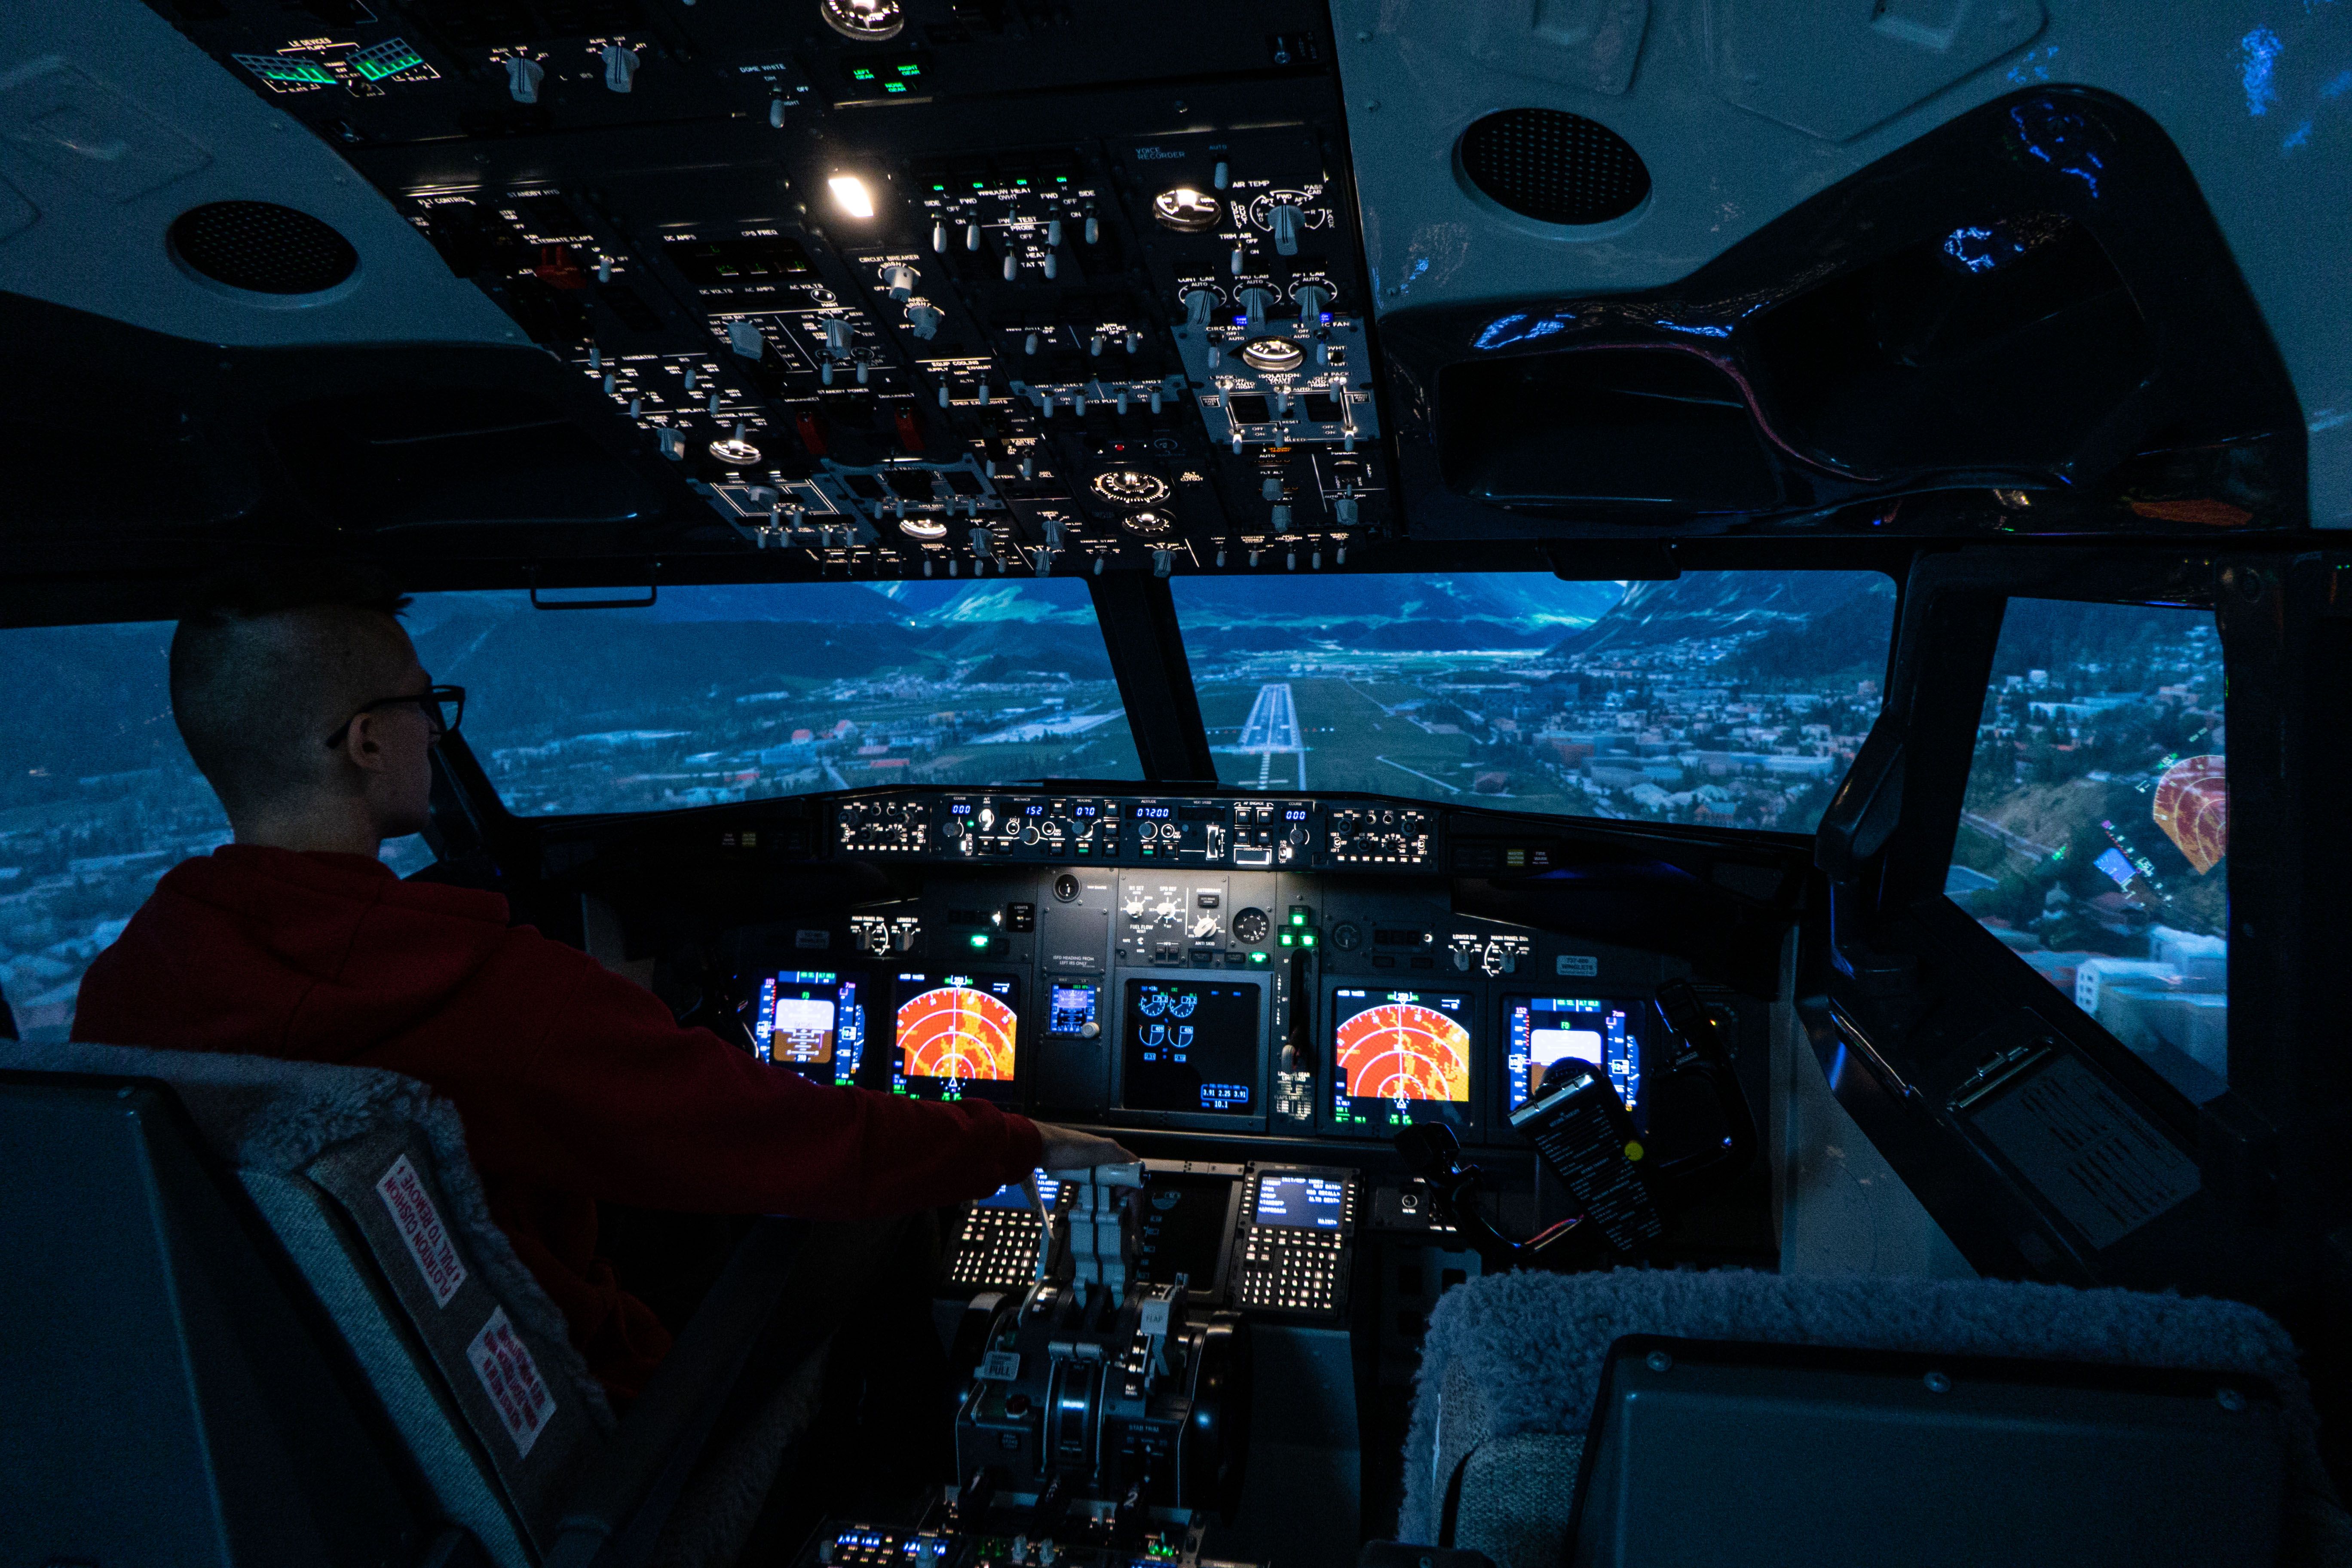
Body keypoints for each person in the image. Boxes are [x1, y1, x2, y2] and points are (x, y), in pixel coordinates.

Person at [73, 563, 1132, 1402]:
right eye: (422, 704)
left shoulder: (125, 991)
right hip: (583, 1431)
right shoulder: (486, 990)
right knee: (869, 1251)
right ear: (364, 742)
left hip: (317, 1425)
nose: (434, 730)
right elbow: (777, 1137)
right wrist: (1024, 1142)